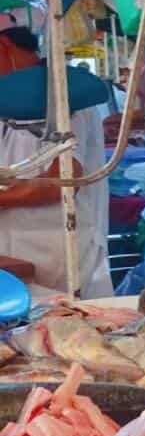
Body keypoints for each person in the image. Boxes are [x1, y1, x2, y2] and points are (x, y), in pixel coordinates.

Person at [0, 19, 112, 298]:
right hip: (18, 251)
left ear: (5, 47)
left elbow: (64, 178)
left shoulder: (64, 95)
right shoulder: (11, 103)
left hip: (61, 249)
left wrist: (3, 198)